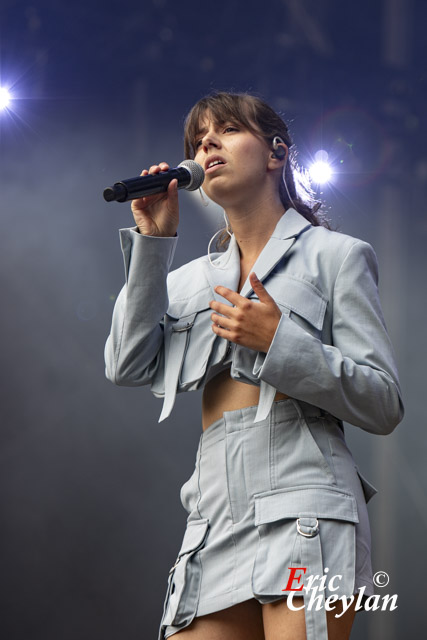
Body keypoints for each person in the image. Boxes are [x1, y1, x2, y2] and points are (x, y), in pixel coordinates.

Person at [104, 91, 404, 640]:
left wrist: (279, 340)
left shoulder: (336, 256)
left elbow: (384, 401)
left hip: (305, 497)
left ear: (276, 153)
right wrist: (154, 243)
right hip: (212, 512)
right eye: (198, 139)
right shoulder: (190, 280)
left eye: (226, 130)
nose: (207, 142)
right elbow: (126, 364)